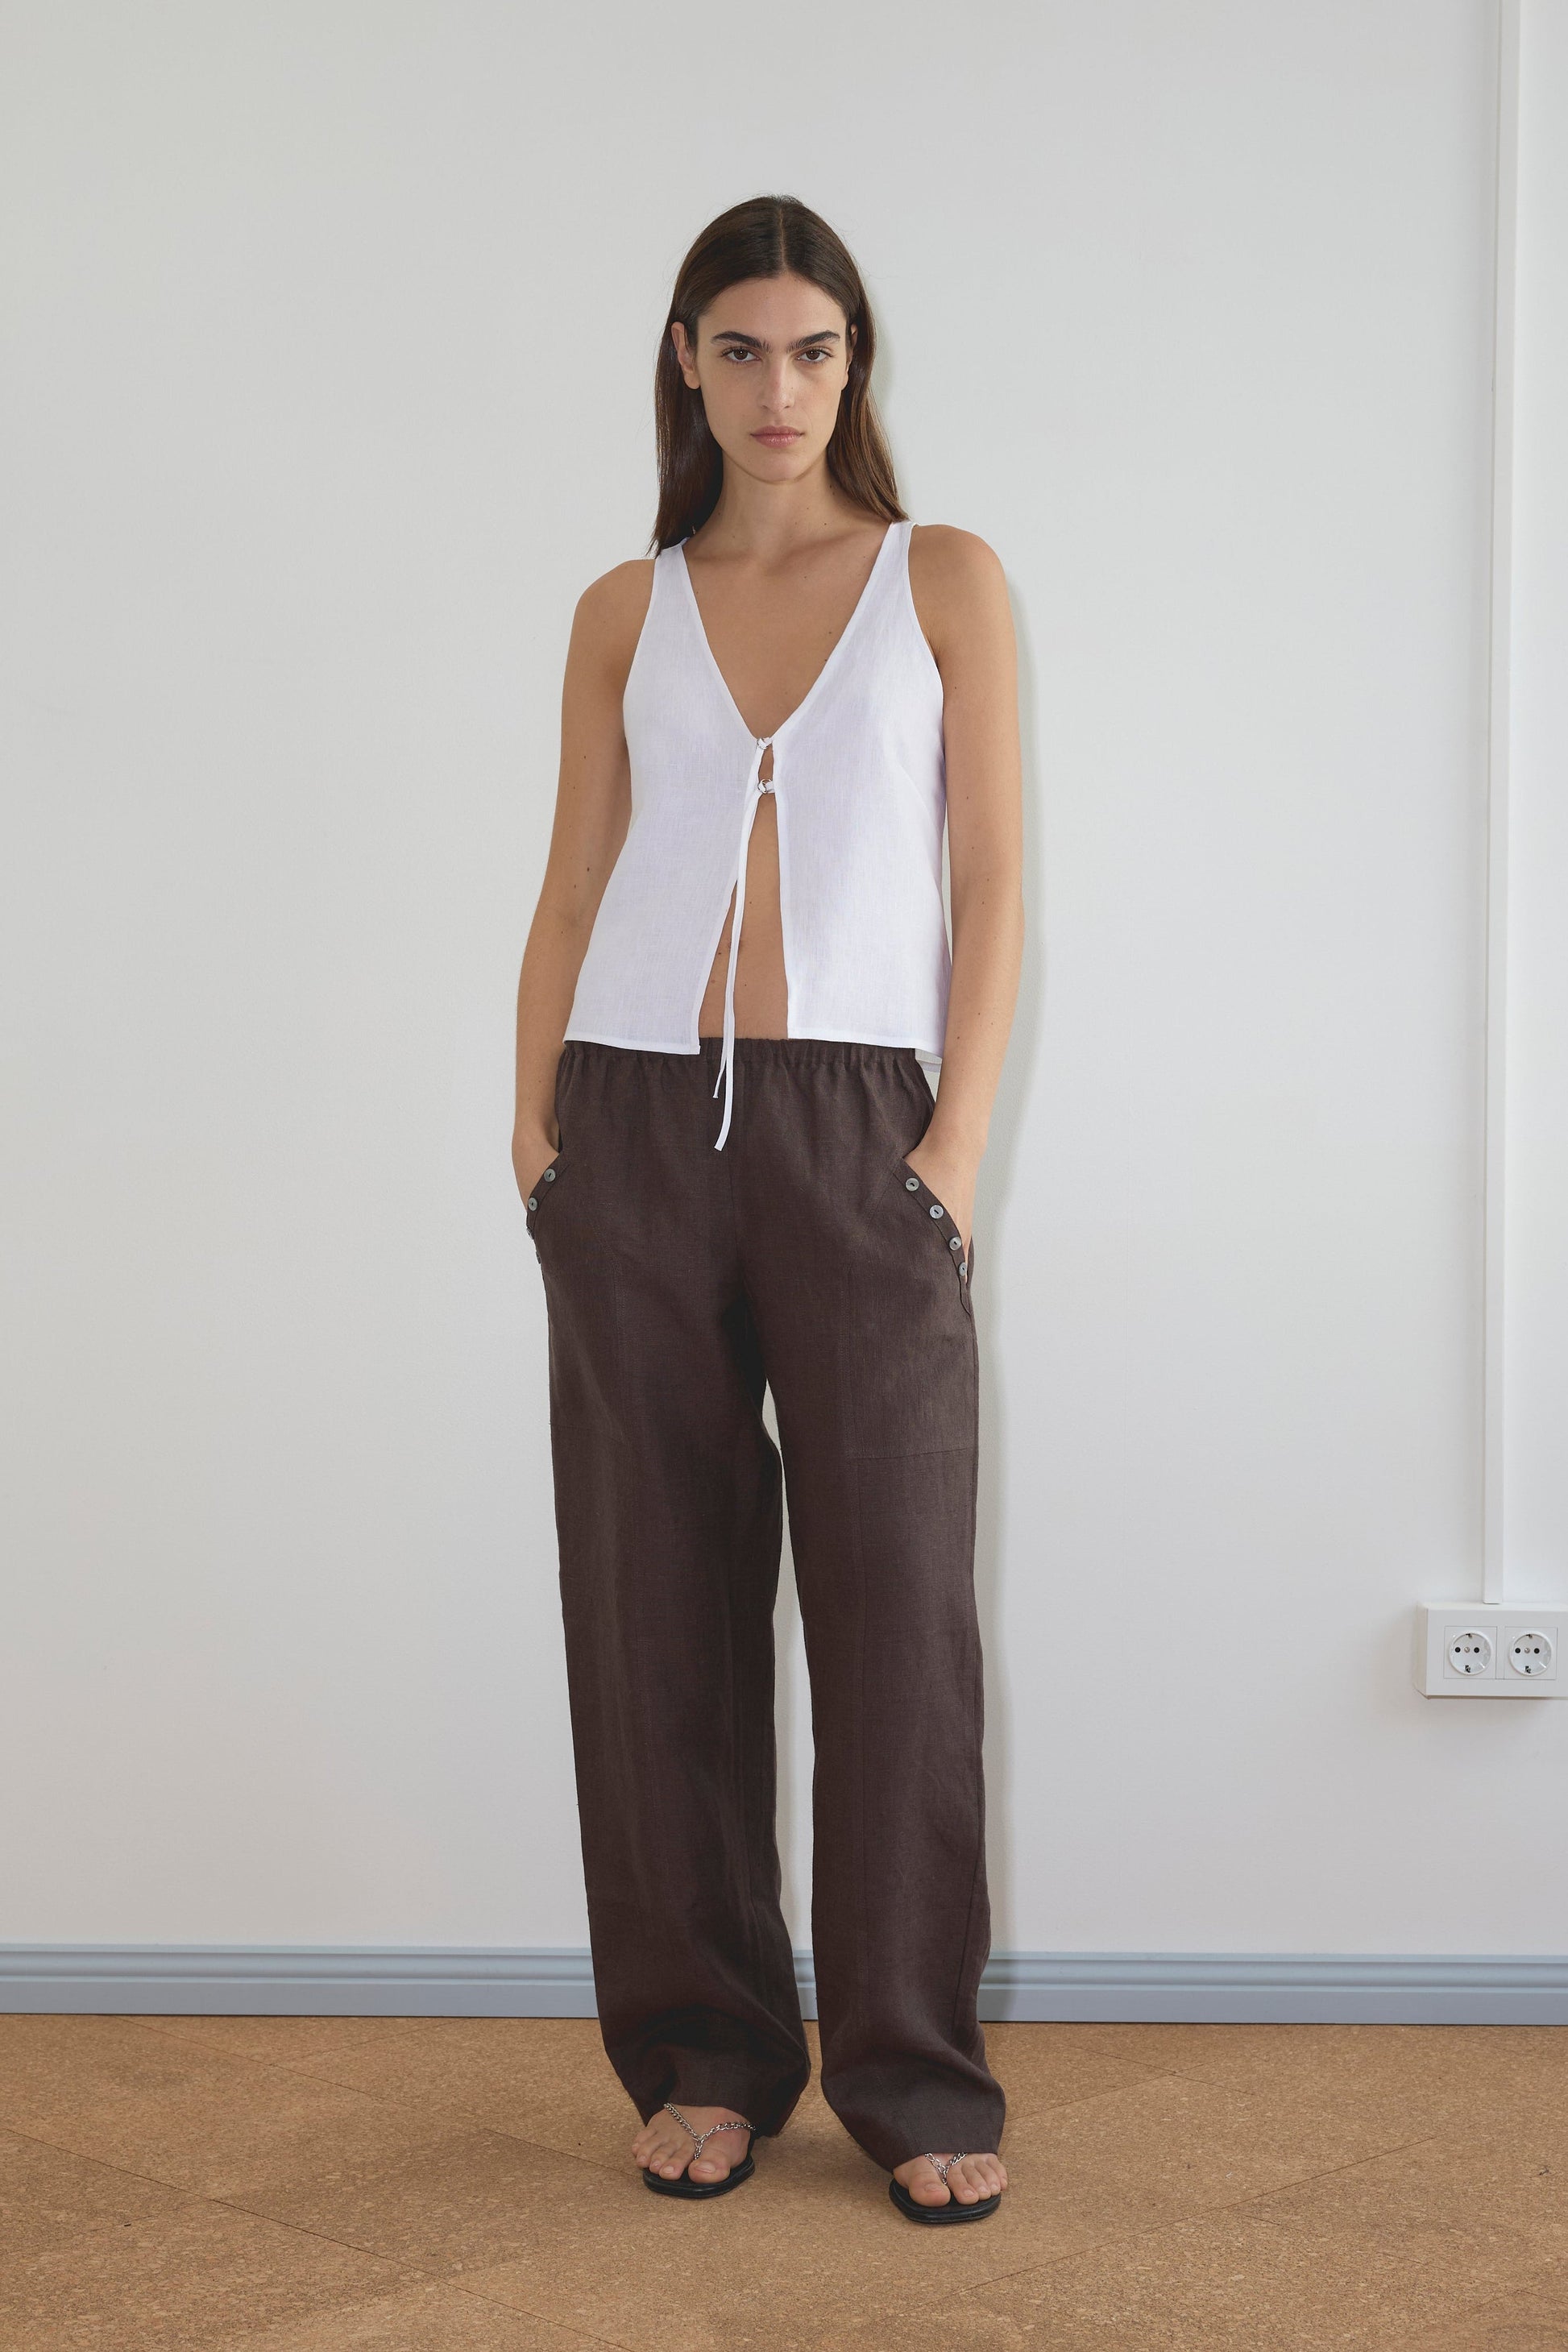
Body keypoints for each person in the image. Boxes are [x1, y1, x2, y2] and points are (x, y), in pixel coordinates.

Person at [512, 193, 1024, 2223]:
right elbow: (569, 885)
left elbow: (990, 886)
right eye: (741, 348)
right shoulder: (622, 610)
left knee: (897, 1609)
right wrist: (533, 1127)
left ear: (853, 364)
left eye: (815, 350)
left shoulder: (945, 581)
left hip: (860, 1134)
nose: (781, 388)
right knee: (654, 1611)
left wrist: (951, 1151)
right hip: (627, 1127)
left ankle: (909, 2070)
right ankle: (706, 2049)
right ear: (684, 360)